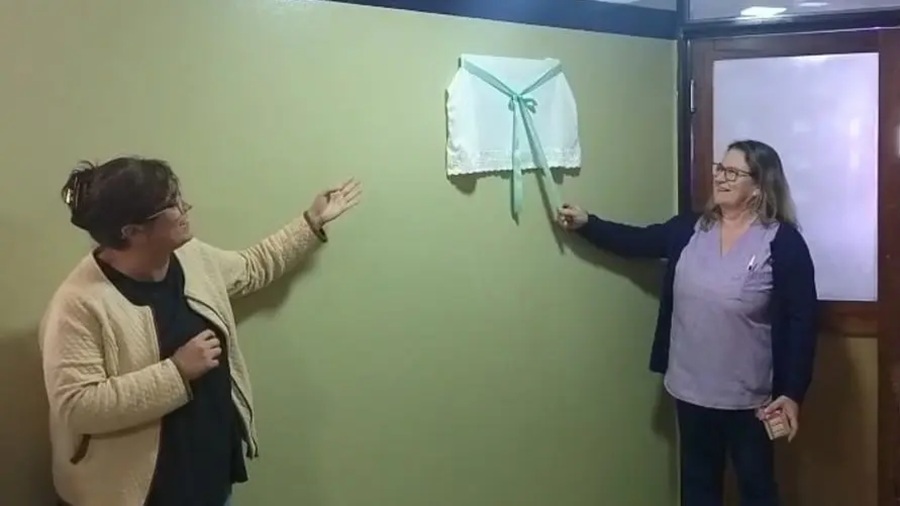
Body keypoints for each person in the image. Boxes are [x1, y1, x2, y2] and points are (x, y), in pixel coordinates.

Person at [39, 156, 361, 506]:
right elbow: (78, 408)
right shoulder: (77, 305)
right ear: (132, 232)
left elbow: (252, 267)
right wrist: (177, 372)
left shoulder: (191, 257)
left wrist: (311, 222)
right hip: (137, 495)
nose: (185, 208)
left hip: (209, 475)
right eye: (172, 204)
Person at [557, 140, 817, 506]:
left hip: (751, 400)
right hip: (691, 391)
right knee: (698, 488)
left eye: (733, 172)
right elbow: (638, 241)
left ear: (759, 186)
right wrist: (588, 224)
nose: (721, 178)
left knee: (757, 489)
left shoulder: (783, 242)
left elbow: (802, 321)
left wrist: (792, 392)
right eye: (720, 169)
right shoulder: (689, 229)